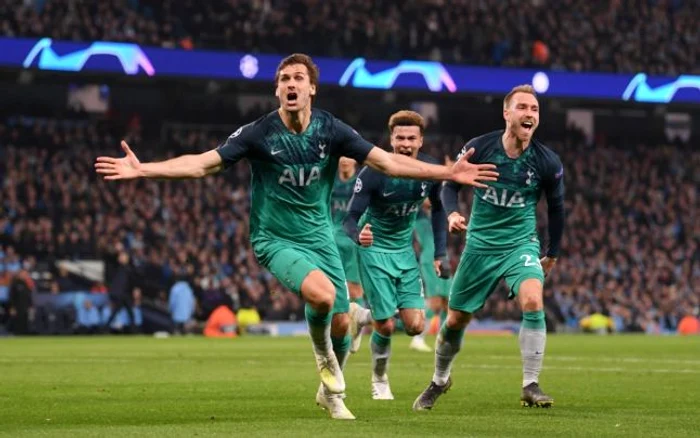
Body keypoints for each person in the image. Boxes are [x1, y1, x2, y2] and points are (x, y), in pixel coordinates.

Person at [95, 53, 498, 420]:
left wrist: (448, 173)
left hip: (319, 236)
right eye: (284, 78)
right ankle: (323, 358)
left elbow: (387, 161)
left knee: (342, 322)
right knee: (322, 296)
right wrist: (145, 168)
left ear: (311, 88)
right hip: (275, 238)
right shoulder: (259, 132)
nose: (291, 84)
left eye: (298, 78)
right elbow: (203, 164)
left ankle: (329, 391)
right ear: (277, 89)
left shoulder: (331, 129)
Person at [413, 84, 565, 411]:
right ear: (507, 113)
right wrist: (453, 212)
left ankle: (530, 384)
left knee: (533, 301)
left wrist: (552, 253)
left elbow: (556, 209)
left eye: (535, 109)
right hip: (479, 245)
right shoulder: (478, 148)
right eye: (523, 107)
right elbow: (450, 185)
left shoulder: (547, 162)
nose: (529, 114)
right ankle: (440, 379)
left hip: (520, 244)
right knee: (455, 321)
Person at [343, 110, 450, 400]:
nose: (405, 143)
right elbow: (350, 217)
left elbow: (439, 210)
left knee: (416, 326)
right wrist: (359, 235)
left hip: (404, 252)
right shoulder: (374, 171)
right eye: (400, 138)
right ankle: (379, 378)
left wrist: (440, 252)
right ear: (391, 139)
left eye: (411, 138)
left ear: (420, 140)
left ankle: (360, 315)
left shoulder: (430, 171)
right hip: (374, 250)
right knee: (387, 325)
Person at [409, 198, 453, 353]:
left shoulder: (439, 213)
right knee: (434, 302)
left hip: (442, 257)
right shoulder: (418, 214)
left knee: (447, 301)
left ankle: (443, 339)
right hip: (430, 259)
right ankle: (418, 338)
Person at [331, 157, 364, 309]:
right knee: (332, 285)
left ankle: (355, 329)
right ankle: (335, 326)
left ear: (355, 160)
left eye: (349, 156)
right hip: (334, 238)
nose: (344, 160)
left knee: (355, 289)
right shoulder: (329, 180)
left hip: (354, 239)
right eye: (341, 156)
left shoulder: (362, 181)